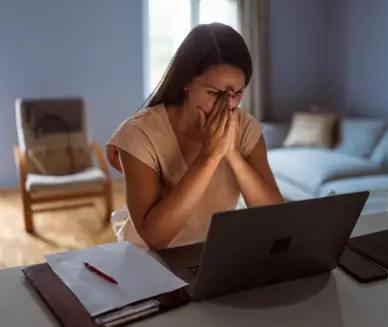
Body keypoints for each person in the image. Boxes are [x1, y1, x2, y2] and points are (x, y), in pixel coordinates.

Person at [106, 22, 284, 250]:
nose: (228, 105)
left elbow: (275, 217)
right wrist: (210, 156)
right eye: (214, 93)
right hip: (147, 261)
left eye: (237, 93)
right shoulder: (139, 133)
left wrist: (232, 155)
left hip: (207, 255)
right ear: (187, 82)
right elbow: (155, 238)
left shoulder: (245, 127)